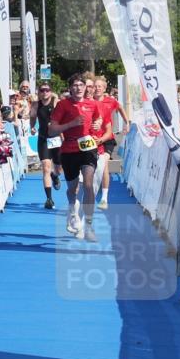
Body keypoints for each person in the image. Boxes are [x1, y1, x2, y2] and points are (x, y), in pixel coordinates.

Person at [47, 73, 104, 241]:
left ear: (86, 87)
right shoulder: (63, 105)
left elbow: (98, 118)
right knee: (73, 189)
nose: (78, 88)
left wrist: (98, 123)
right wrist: (71, 124)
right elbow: (52, 130)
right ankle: (72, 210)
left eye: (81, 85)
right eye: (75, 85)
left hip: (88, 149)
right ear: (70, 88)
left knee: (88, 185)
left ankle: (89, 226)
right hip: (69, 149)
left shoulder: (92, 104)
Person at [93, 76, 129, 209]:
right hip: (92, 139)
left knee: (103, 165)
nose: (97, 89)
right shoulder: (88, 101)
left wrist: (127, 123)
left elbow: (120, 109)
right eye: (95, 86)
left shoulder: (110, 101)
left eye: (99, 86)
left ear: (104, 88)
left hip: (107, 138)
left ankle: (104, 198)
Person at [30, 82, 63, 209]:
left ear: (51, 91)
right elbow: (32, 118)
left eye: (47, 90)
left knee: (58, 169)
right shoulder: (35, 105)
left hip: (56, 139)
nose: (44, 92)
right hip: (43, 139)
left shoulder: (56, 102)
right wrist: (32, 127)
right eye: (42, 90)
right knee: (45, 167)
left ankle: (55, 176)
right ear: (39, 92)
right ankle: (49, 199)